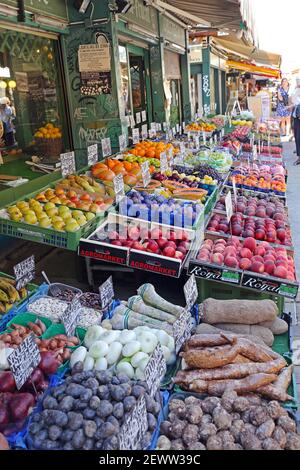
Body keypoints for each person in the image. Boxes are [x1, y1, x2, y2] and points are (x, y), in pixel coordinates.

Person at [290, 78, 300, 165]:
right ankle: (299, 157)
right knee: (297, 137)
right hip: (296, 116)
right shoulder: (296, 90)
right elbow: (293, 101)